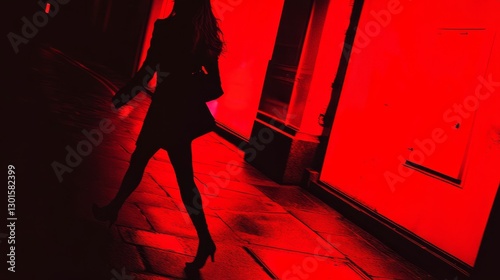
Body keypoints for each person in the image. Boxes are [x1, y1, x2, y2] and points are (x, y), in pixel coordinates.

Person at [92, 0, 224, 271]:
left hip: (166, 106)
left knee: (145, 161)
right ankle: (114, 208)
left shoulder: (166, 28)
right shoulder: (204, 34)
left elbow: (148, 69)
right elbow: (216, 85)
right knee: (172, 174)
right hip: (181, 110)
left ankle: (205, 238)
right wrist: (190, 85)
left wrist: (126, 94)